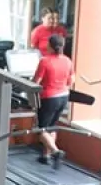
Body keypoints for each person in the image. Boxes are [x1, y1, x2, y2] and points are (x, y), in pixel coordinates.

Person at [32, 34, 75, 164]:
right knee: (52, 126)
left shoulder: (45, 61)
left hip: (49, 98)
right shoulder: (68, 61)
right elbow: (71, 80)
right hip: (63, 96)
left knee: (42, 129)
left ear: (49, 46)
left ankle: (56, 152)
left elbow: (36, 82)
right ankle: (46, 156)